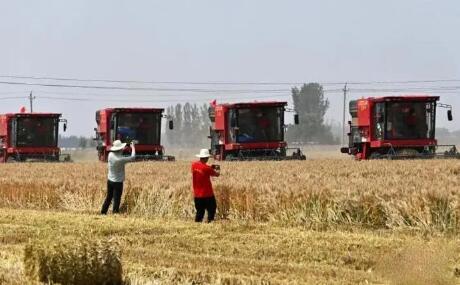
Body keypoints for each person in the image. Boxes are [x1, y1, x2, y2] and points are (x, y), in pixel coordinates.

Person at [101, 140, 136, 215]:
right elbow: (133, 157)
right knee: (117, 199)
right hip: (118, 182)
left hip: (110, 181)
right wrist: (133, 147)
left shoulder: (110, 155)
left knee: (109, 197)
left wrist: (124, 147)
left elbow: (118, 152)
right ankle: (115, 213)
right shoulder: (120, 159)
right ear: (119, 149)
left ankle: (103, 212)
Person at [191, 149, 220, 222]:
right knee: (212, 209)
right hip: (207, 194)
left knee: (200, 212)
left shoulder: (193, 165)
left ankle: (197, 224)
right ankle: (210, 222)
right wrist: (217, 169)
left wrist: (210, 167)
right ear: (206, 158)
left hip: (197, 194)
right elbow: (217, 174)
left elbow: (202, 169)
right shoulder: (207, 168)